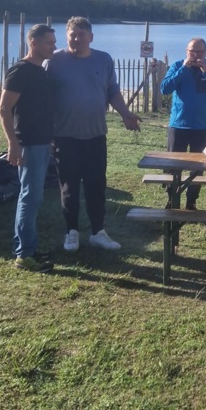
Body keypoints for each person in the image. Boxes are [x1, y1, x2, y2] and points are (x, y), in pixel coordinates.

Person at [46, 16, 140, 254]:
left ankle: (98, 232)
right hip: (64, 136)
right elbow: (42, 96)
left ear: (91, 37)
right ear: (67, 36)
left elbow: (113, 92)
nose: (76, 39)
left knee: (96, 186)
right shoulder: (54, 61)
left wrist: (126, 114)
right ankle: (72, 232)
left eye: (81, 35)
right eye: (72, 35)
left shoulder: (104, 59)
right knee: (69, 187)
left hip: (95, 135)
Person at [0, 23, 57, 273]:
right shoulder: (20, 71)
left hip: (42, 142)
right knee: (29, 198)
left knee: (34, 197)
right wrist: (13, 143)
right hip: (28, 144)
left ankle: (28, 247)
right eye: (48, 43)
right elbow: (3, 109)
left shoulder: (40, 71)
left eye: (54, 43)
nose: (53, 47)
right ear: (33, 43)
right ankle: (24, 254)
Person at [160, 38, 206, 209]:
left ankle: (191, 202)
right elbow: (164, 89)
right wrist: (184, 69)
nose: (196, 55)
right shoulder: (177, 66)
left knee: (198, 169)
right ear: (186, 51)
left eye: (200, 52)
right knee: (173, 166)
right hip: (178, 126)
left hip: (202, 127)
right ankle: (171, 200)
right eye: (192, 51)